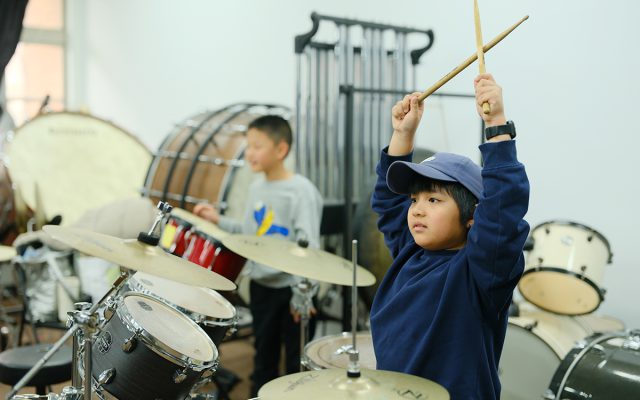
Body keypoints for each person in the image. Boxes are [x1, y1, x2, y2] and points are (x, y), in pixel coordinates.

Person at [370, 73, 529, 400]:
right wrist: (403, 134)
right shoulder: (409, 252)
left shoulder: (481, 272)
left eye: (433, 200)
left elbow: (502, 211)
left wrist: (496, 123)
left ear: (472, 217)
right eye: (414, 200)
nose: (417, 210)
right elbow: (388, 201)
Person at [193, 115, 323, 396]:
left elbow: (309, 247)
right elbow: (251, 234)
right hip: (262, 287)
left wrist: (303, 294)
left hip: (291, 291)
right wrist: (218, 220)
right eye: (248, 146)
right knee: (263, 357)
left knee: (296, 365)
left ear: (281, 149)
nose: (249, 153)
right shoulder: (256, 188)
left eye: (257, 146)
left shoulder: (301, 192)